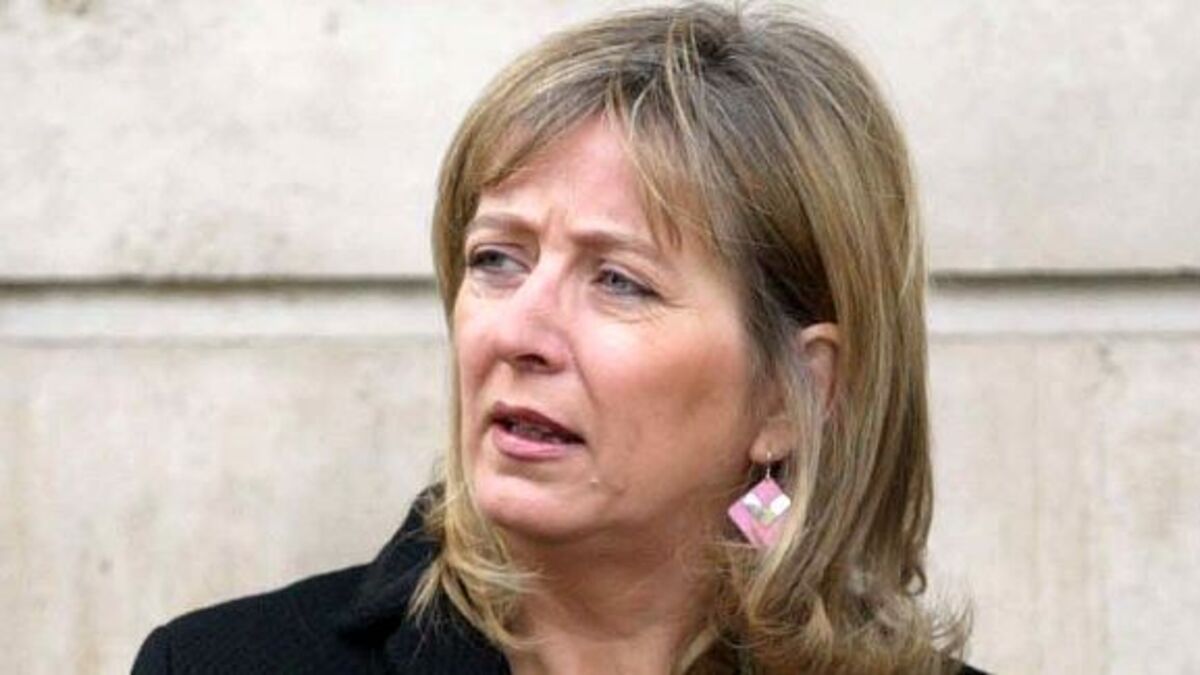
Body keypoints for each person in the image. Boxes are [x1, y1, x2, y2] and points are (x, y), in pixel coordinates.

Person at [133, 3, 981, 673]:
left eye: (619, 280)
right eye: (497, 259)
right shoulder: (218, 664)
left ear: (791, 397)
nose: (518, 331)